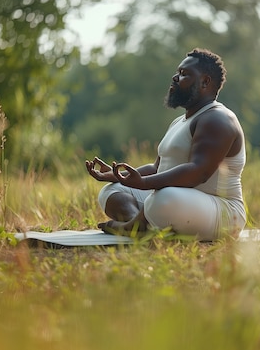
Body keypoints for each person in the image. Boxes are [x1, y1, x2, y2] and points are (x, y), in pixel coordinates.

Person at [85, 48, 246, 241]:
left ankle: (137, 225)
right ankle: (138, 225)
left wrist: (144, 184)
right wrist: (119, 176)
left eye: (184, 74)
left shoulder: (217, 119)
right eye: (178, 72)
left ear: (205, 82)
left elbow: (198, 172)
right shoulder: (179, 122)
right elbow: (157, 168)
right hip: (180, 203)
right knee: (112, 190)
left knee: (162, 197)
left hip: (224, 211)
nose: (175, 77)